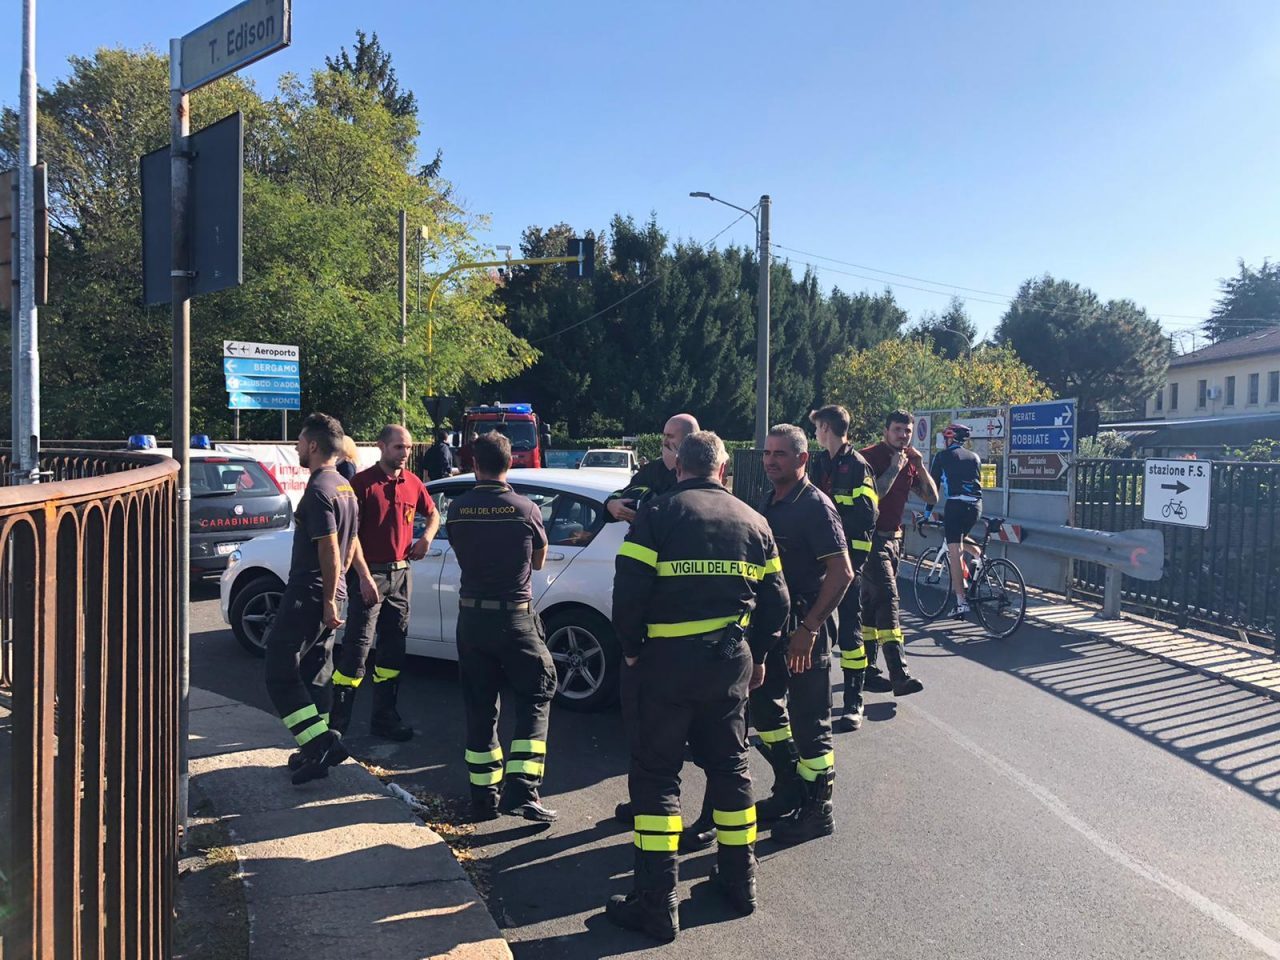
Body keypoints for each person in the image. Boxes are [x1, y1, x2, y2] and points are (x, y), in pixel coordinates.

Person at [606, 431, 789, 942]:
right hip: (730, 663)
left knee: (657, 776)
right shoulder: (757, 522)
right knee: (731, 767)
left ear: (679, 466)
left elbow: (629, 593)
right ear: (723, 468)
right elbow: (778, 604)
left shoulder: (658, 515)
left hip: (662, 667)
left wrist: (632, 647)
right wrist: (761, 656)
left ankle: (657, 902)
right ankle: (739, 881)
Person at [607, 413, 718, 852]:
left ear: (691, 447)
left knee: (711, 741)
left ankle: (708, 820)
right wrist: (613, 506)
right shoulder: (654, 473)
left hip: (699, 629)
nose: (664, 446)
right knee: (646, 727)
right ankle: (647, 802)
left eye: (672, 440)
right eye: (664, 439)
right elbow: (625, 496)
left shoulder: (706, 483)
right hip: (656, 625)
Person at [447, 431, 559, 823]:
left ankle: (483, 798)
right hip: (514, 618)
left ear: (474, 465)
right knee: (536, 694)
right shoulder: (526, 509)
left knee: (480, 707)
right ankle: (523, 791)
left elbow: (463, 553)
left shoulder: (457, 510)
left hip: (472, 619)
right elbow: (540, 561)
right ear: (511, 463)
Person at [751, 424, 853, 845]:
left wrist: (809, 629)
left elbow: (842, 573)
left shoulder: (815, 506)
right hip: (774, 628)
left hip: (804, 632)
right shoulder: (771, 501)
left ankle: (817, 810)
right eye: (768, 453)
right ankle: (789, 787)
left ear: (802, 459)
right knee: (763, 709)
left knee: (811, 722)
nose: (771, 460)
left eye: (781, 454)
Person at [265, 412, 367, 785]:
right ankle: (315, 751)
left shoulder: (318, 491)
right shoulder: (344, 487)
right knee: (315, 673)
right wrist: (347, 587)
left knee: (279, 669)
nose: (295, 449)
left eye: (299, 442)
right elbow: (351, 540)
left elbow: (329, 548)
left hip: (309, 592)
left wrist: (327, 598)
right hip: (327, 593)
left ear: (312, 445)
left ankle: (321, 743)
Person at [329, 424, 439, 740]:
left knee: (393, 651)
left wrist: (426, 539)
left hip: (402, 575)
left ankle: (384, 719)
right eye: (398, 447)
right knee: (356, 651)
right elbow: (349, 536)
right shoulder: (362, 484)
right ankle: (337, 728)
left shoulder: (413, 482)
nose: (404, 453)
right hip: (370, 575)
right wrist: (363, 577)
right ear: (381, 446)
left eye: (406, 448)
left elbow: (433, 515)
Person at [809, 405, 879, 732]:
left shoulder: (858, 466)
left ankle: (854, 700)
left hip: (850, 556)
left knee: (851, 626)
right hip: (818, 555)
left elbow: (867, 514)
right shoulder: (818, 462)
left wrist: (830, 514)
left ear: (826, 428)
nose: (814, 434)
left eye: (816, 428)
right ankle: (811, 695)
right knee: (813, 622)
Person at [860, 410, 938, 696]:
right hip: (870, 541)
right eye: (897, 430)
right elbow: (874, 495)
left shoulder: (910, 461)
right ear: (885, 431)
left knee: (870, 605)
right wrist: (894, 467)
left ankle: (867, 670)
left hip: (894, 541)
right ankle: (899, 674)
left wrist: (919, 464)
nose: (903, 435)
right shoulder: (868, 457)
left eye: (907, 431)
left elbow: (932, 497)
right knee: (889, 600)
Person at [928, 423, 983, 616]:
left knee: (955, 552)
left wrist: (926, 514)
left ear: (950, 439)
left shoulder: (942, 457)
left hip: (955, 506)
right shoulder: (975, 457)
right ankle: (979, 557)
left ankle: (961, 602)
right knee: (959, 539)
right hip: (976, 507)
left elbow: (932, 490)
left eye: (946, 438)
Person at [604, 414, 699, 523]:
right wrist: (611, 504)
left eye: (670, 436)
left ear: (689, 440)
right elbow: (627, 492)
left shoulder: (705, 471)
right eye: (664, 436)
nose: (664, 441)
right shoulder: (653, 469)